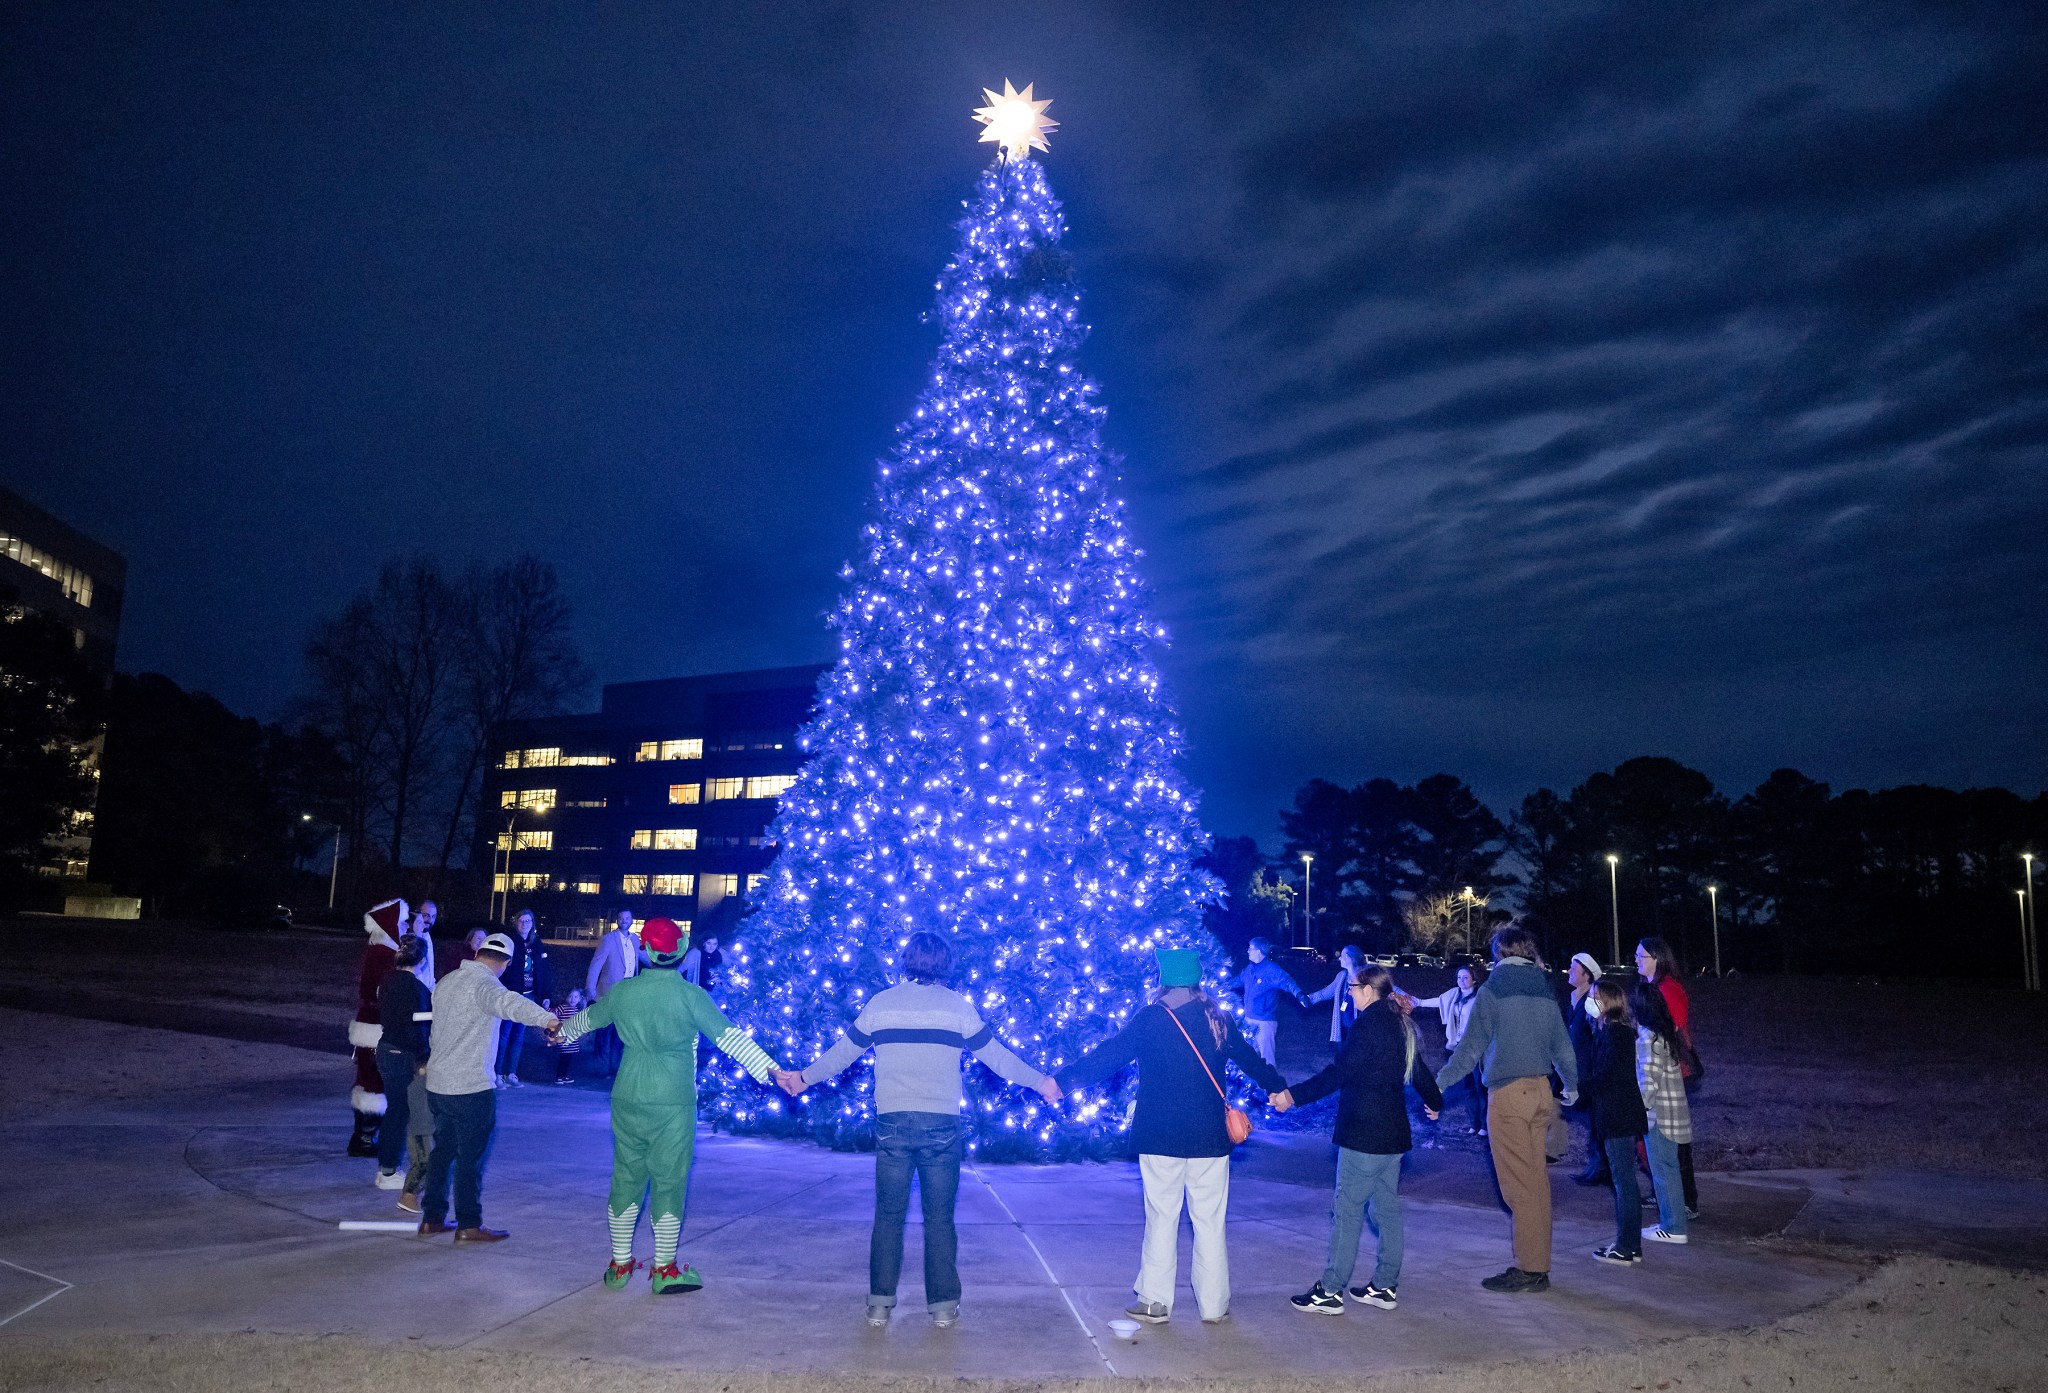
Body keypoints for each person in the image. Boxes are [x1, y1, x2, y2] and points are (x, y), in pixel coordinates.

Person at [777, 931, 1058, 1327]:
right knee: (939, 1218)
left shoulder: (881, 1005)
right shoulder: (958, 1007)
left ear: (907, 961)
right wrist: (1042, 1082)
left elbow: (843, 1053)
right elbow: (997, 1057)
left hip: (892, 1123)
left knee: (888, 1216)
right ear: (945, 964)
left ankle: (878, 1305)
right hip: (942, 1125)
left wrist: (803, 1079)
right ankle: (943, 1307)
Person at [1052, 948, 1288, 1326]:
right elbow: (1252, 1060)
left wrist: (1063, 1082)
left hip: (1160, 1137)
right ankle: (1214, 1305)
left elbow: (1108, 1055)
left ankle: (1155, 1302)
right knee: (1209, 1221)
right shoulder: (1218, 1018)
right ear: (1196, 980)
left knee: (1162, 1217)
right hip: (1209, 1138)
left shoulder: (1150, 1019)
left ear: (1164, 980)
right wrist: (1278, 1089)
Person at [558, 918, 786, 1293]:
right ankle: (664, 1270)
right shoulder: (691, 996)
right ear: (680, 953)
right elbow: (730, 1038)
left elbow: (585, 1021)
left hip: (628, 1093)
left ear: (645, 952)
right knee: (669, 1180)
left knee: (626, 1176)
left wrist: (557, 1031)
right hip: (673, 1099)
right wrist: (772, 1071)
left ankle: (619, 1264)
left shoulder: (623, 992)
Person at [1274, 965, 1443, 1315]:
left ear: (1368, 990)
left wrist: (1292, 1096)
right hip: (1393, 1137)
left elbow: (1338, 1073)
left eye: (1353, 987)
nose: (1349, 993)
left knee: (1347, 1212)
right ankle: (1384, 1286)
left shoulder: (1367, 1027)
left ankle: (1330, 1290)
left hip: (1363, 1136)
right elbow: (1420, 1071)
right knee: (1387, 1210)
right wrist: (1436, 1101)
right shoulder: (1400, 1024)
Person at [1436, 926, 1579, 1293]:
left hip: (1510, 1097)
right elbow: (1562, 1043)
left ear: (1499, 953)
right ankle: (1538, 1265)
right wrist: (1572, 1083)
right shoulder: (1545, 988)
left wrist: (1437, 1084)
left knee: (1518, 1188)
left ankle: (1529, 1269)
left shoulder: (1493, 989)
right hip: (1541, 1093)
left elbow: (1469, 1049)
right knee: (1536, 1183)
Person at [417, 931, 562, 1243]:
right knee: (470, 1158)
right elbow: (511, 1003)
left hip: (439, 1083)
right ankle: (469, 1224)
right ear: (506, 963)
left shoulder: (446, 981)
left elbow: (435, 1032)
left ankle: (431, 1218)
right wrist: (549, 1020)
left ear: (479, 952)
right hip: (470, 1088)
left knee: (442, 1152)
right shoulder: (486, 985)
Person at [1635, 937, 1699, 1217]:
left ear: (1657, 959)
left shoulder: (1669, 989)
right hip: (1661, 1066)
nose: (1636, 959)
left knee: (1673, 1139)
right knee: (1655, 1138)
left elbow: (1668, 1029)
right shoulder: (1653, 987)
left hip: (1671, 1069)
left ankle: (1685, 1201)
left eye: (1641, 956)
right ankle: (1664, 1193)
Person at [1584, 981, 1646, 1266]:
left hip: (1618, 1115)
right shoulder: (1612, 1032)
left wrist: (1577, 1089)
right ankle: (1628, 1244)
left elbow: (1609, 1076)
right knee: (1623, 1180)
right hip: (1617, 1114)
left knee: (1623, 1181)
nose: (1590, 1000)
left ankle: (1627, 1246)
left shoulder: (1617, 1034)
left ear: (1609, 1002)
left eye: (1595, 997)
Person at [1630, 982, 1692, 1246]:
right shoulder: (1663, 1035)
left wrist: (1637, 1111)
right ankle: (1673, 1222)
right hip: (1672, 1115)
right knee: (1668, 1170)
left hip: (1659, 1117)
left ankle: (1673, 1226)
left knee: (1663, 1171)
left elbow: (1648, 1081)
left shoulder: (1647, 1039)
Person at [373, 934, 434, 1197]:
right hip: (403, 1055)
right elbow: (417, 1028)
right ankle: (387, 1171)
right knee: (400, 1114)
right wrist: (424, 1057)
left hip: (386, 1049)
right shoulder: (416, 989)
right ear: (422, 960)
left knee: (396, 1111)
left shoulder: (386, 981)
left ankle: (388, 1167)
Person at [347, 898, 409, 1157]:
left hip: (372, 1025)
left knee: (370, 1081)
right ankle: (364, 1139)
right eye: (402, 922)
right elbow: (386, 993)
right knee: (376, 1083)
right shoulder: (383, 955)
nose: (406, 927)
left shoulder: (380, 952)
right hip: (377, 1028)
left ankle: (364, 1137)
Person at [1411, 964, 1486, 1134]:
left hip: (1476, 1046)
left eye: (1465, 977)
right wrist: (1419, 1002)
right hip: (1459, 1045)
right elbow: (1439, 1001)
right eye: (1459, 977)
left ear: (1474, 979)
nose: (1461, 981)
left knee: (1480, 1085)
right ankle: (1474, 1123)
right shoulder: (1454, 995)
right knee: (1467, 1086)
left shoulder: (1480, 997)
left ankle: (1484, 1125)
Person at [1564, 952, 1610, 1187]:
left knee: (1596, 1119)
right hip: (1577, 1069)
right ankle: (1596, 1167)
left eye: (1574, 968)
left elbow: (1598, 1036)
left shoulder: (1593, 1000)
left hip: (1590, 1069)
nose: (1570, 971)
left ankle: (1600, 1168)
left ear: (1586, 974)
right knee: (1592, 1119)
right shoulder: (1574, 999)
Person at [494, 908, 552, 1088]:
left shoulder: (537, 943)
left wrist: (545, 994)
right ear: (516, 922)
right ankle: (498, 1073)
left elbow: (542, 970)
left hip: (529, 996)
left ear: (532, 923)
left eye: (528, 921)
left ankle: (512, 1072)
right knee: (504, 1034)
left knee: (518, 1035)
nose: (524, 925)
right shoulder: (510, 941)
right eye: (521, 921)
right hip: (511, 995)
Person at [1229, 938, 1307, 1067]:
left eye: (1250, 948)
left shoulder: (1271, 969)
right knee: (1250, 1057)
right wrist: (1222, 985)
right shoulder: (1250, 969)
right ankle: (1255, 1086)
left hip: (1264, 1022)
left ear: (1259, 951)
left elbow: (1287, 982)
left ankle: (1273, 1086)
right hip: (1249, 1020)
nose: (1248, 951)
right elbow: (1238, 980)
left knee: (1266, 1059)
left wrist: (1300, 995)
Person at [585, 908, 640, 1078]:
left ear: (632, 920)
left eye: (627, 918)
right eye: (621, 917)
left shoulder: (635, 940)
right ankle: (600, 1068)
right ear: (617, 920)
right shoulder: (608, 940)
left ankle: (616, 1068)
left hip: (629, 993)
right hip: (608, 992)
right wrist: (590, 989)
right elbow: (596, 964)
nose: (624, 920)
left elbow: (642, 958)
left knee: (621, 1033)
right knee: (604, 1032)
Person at [1303, 944, 1367, 1049]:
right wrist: (1308, 999)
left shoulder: (1367, 976)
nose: (1340, 958)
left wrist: (1403, 998)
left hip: (1361, 1028)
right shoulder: (1341, 976)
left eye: (1342, 955)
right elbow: (1326, 993)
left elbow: (1387, 988)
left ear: (1350, 958)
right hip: (1343, 1028)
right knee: (1343, 1058)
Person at [550, 989, 588, 1083]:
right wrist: (546, 1007)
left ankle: (564, 1075)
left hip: (572, 1040)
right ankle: (559, 1076)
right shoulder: (562, 1008)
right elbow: (553, 1013)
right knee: (563, 1058)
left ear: (579, 999)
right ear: (567, 997)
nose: (572, 999)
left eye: (575, 997)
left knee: (568, 1058)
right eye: (570, 996)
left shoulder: (577, 1011)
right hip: (563, 1038)